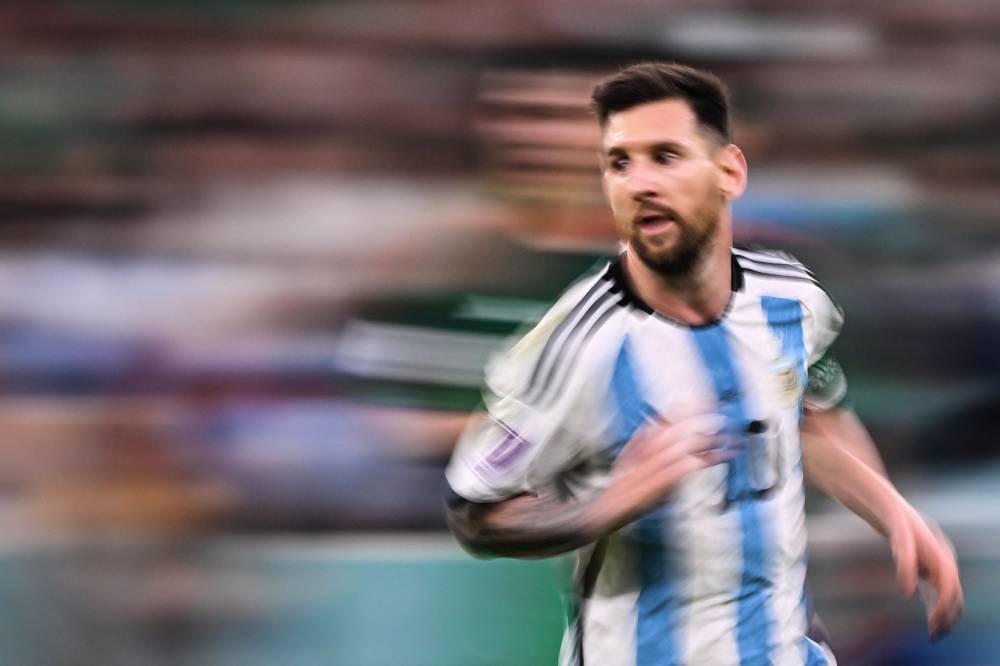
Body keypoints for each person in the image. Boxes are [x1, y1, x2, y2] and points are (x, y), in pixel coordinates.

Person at [444, 62, 963, 665]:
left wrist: (894, 513)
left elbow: (809, 409)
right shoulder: (576, 345)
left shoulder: (790, 299)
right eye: (619, 162)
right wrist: (614, 502)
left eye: (665, 157)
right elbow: (475, 513)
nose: (639, 183)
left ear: (729, 172)